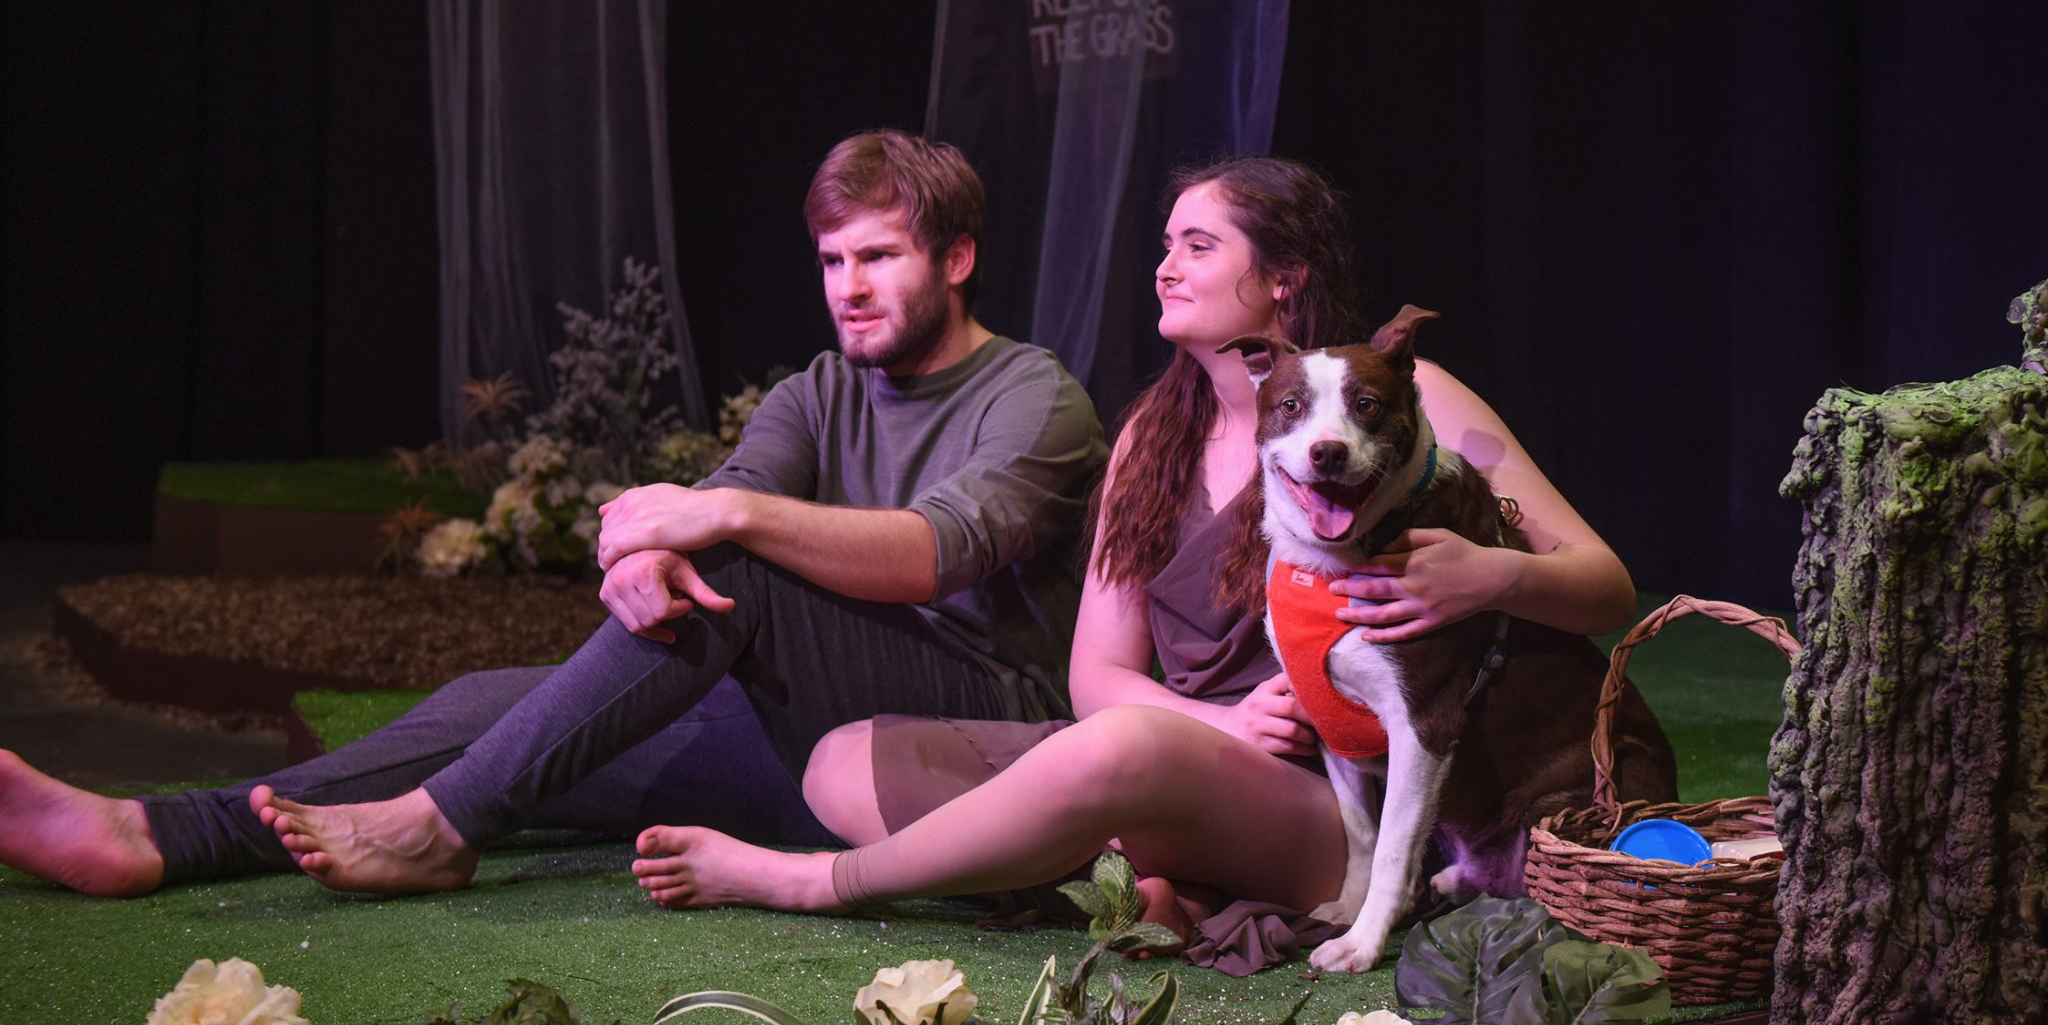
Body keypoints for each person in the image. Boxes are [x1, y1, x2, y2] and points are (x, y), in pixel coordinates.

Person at [0, 129, 1107, 898]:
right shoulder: (815, 392)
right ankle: (154, 834)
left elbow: (931, 556)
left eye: (879, 257)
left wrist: (711, 522)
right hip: (805, 732)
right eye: (831, 260)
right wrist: (646, 557)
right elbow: (711, 507)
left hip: (975, 746)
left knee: (740, 553)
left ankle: (443, 830)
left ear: (956, 260)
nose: (847, 287)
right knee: (491, 705)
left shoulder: (1033, 396)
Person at [625, 156, 1639, 971]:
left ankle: (814, 882)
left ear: (1283, 275)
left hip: (1325, 796)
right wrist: (1218, 722)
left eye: (1197, 246)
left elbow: (1607, 584)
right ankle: (1139, 874)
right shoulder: (1153, 434)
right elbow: (1097, 677)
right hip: (1187, 754)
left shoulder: (1400, 402)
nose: (1165, 268)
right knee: (843, 757)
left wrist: (1492, 573)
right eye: (1164, 245)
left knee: (1113, 752)